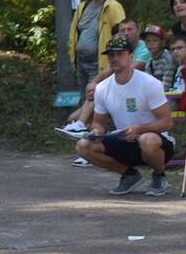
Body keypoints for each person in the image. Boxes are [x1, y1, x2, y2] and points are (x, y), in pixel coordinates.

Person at [73, 36, 175, 197]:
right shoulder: (102, 88)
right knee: (83, 145)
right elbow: (98, 123)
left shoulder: (149, 83)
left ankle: (159, 175)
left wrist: (138, 129)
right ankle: (129, 175)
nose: (115, 58)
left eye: (120, 54)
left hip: (156, 142)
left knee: (147, 139)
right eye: (111, 55)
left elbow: (167, 123)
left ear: (130, 56)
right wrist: (96, 132)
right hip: (124, 140)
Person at [61, 0, 125, 135]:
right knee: (87, 102)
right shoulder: (83, 6)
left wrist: (116, 58)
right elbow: (75, 31)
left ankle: (96, 136)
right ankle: (86, 139)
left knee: (94, 100)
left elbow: (121, 32)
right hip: (81, 62)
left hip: (100, 62)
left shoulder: (112, 6)